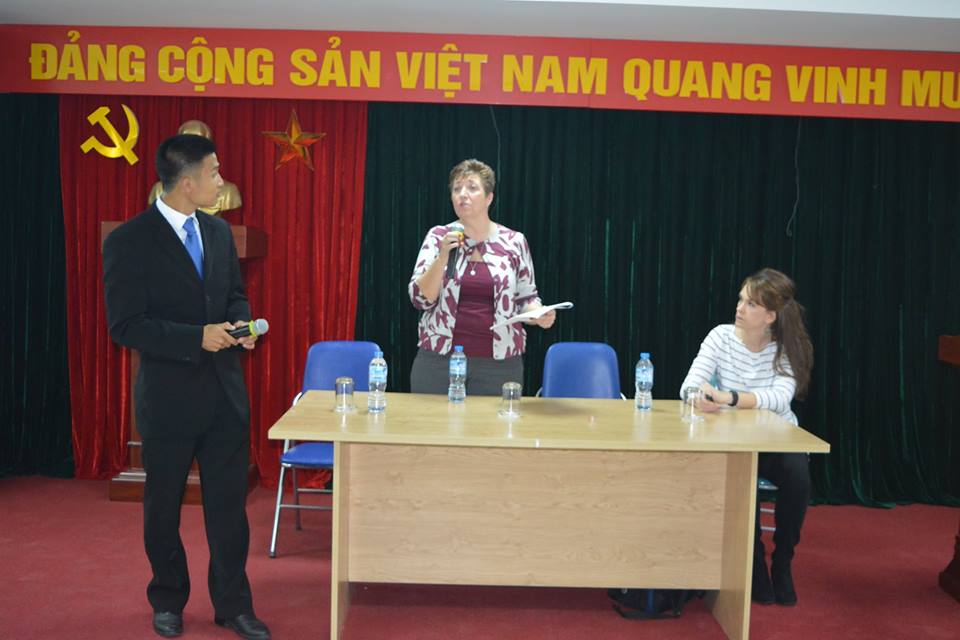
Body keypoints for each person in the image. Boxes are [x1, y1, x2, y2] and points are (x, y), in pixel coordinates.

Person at [103, 134, 270, 640]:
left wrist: (240, 326)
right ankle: (168, 598)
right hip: (169, 399)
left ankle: (233, 605)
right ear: (187, 182)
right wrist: (196, 338)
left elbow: (234, 295)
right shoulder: (129, 241)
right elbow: (126, 325)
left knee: (229, 511)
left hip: (224, 396)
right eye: (214, 172)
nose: (221, 180)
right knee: (162, 508)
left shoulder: (217, 232)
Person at [679, 267, 814, 607]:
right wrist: (699, 398)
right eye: (741, 300)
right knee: (742, 479)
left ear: (770, 316)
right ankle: (753, 566)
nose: (739, 308)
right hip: (733, 440)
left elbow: (779, 398)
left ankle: (782, 563)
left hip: (776, 439)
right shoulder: (720, 337)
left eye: (751, 304)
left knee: (798, 480)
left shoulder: (787, 347)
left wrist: (729, 398)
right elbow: (689, 386)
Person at [408, 159, 555, 395]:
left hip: (499, 365)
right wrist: (442, 257)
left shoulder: (514, 242)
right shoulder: (438, 237)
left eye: (471, 187)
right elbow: (420, 299)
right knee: (430, 420)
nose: (462, 194)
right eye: (457, 189)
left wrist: (539, 314)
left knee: (496, 420)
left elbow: (526, 298)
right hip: (438, 361)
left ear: (489, 198)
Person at [148, 120, 242, 216]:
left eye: (197, 145)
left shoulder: (228, 192)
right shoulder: (160, 190)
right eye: (186, 145)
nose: (191, 150)